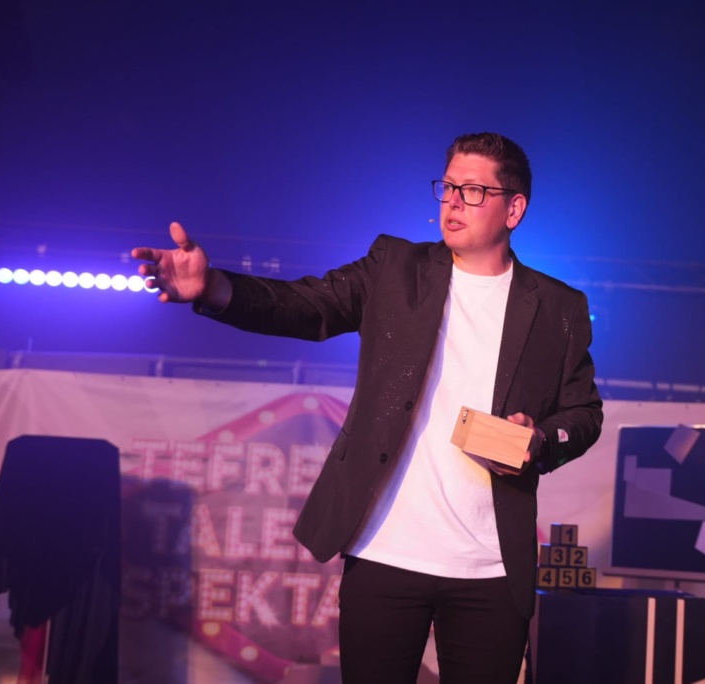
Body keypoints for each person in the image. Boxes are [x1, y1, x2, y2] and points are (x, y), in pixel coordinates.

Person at [131, 132, 603, 684]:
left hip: (490, 568)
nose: (453, 202)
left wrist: (538, 440)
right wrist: (213, 287)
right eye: (448, 187)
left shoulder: (558, 307)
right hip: (386, 552)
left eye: (473, 191)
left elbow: (583, 413)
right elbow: (305, 306)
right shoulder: (395, 267)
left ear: (514, 209)